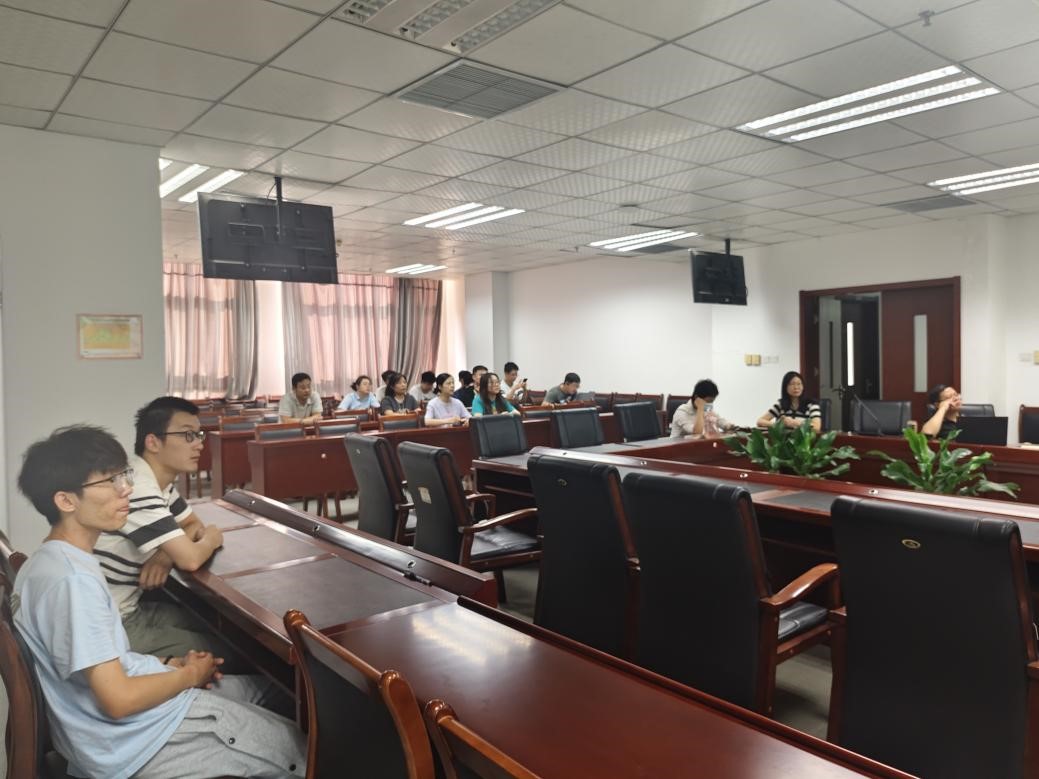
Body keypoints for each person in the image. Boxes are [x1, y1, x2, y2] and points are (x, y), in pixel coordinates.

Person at [14, 425, 306, 779]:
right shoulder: (74, 582)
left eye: (124, 476)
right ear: (66, 501)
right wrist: (188, 675)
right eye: (109, 482)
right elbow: (118, 699)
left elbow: (106, 664)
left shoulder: (46, 562)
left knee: (270, 692)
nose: (127, 489)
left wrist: (168, 664)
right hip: (137, 742)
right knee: (304, 748)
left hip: (120, 727)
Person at [93, 397, 243, 669]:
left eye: (198, 435)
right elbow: (192, 557)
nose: (199, 444)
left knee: (217, 626)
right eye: (187, 435)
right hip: (111, 626)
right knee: (233, 651)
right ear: (153, 442)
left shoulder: (158, 483)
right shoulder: (137, 487)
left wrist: (164, 555)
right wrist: (212, 537)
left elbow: (191, 524)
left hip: (128, 608)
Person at [757, 370, 821, 433]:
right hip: (783, 439)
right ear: (785, 387)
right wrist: (779, 425)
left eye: (799, 384)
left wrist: (795, 423)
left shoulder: (812, 404)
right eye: (792, 384)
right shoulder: (780, 404)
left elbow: (817, 427)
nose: (796, 387)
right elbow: (760, 421)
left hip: (803, 439)